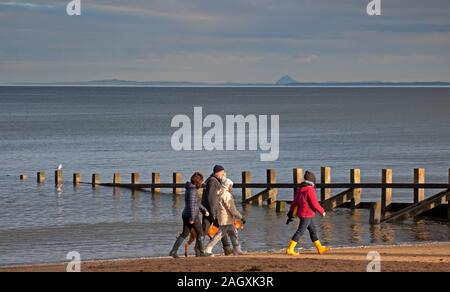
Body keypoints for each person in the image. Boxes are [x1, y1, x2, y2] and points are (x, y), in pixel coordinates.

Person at [286, 170, 331, 256]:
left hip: (303, 213)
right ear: (312, 181)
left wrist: (291, 211)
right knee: (300, 231)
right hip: (306, 214)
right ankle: (290, 249)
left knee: (313, 230)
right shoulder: (310, 190)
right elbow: (314, 203)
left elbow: (294, 202)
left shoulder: (300, 189)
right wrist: (322, 211)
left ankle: (320, 248)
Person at [169, 172, 209, 258]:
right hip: (192, 215)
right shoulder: (193, 191)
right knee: (201, 233)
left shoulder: (190, 188)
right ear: (197, 182)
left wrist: (204, 210)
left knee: (184, 234)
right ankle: (201, 252)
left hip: (186, 214)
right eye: (201, 181)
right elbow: (192, 205)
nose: (202, 183)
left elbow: (196, 203)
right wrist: (192, 218)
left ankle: (173, 251)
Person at [204, 178, 246, 256]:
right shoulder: (226, 194)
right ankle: (207, 249)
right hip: (225, 219)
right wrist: (240, 217)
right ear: (227, 186)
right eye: (231, 186)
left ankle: (237, 249)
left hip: (225, 218)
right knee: (219, 234)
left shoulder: (220, 193)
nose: (231, 188)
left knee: (233, 232)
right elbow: (232, 209)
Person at [201, 165, 233, 255]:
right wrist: (212, 213)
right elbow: (211, 199)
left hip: (208, 210)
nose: (224, 174)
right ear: (216, 173)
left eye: (224, 172)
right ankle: (200, 249)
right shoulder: (213, 182)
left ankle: (227, 248)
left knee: (219, 228)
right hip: (211, 210)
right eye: (222, 172)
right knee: (209, 230)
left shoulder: (212, 180)